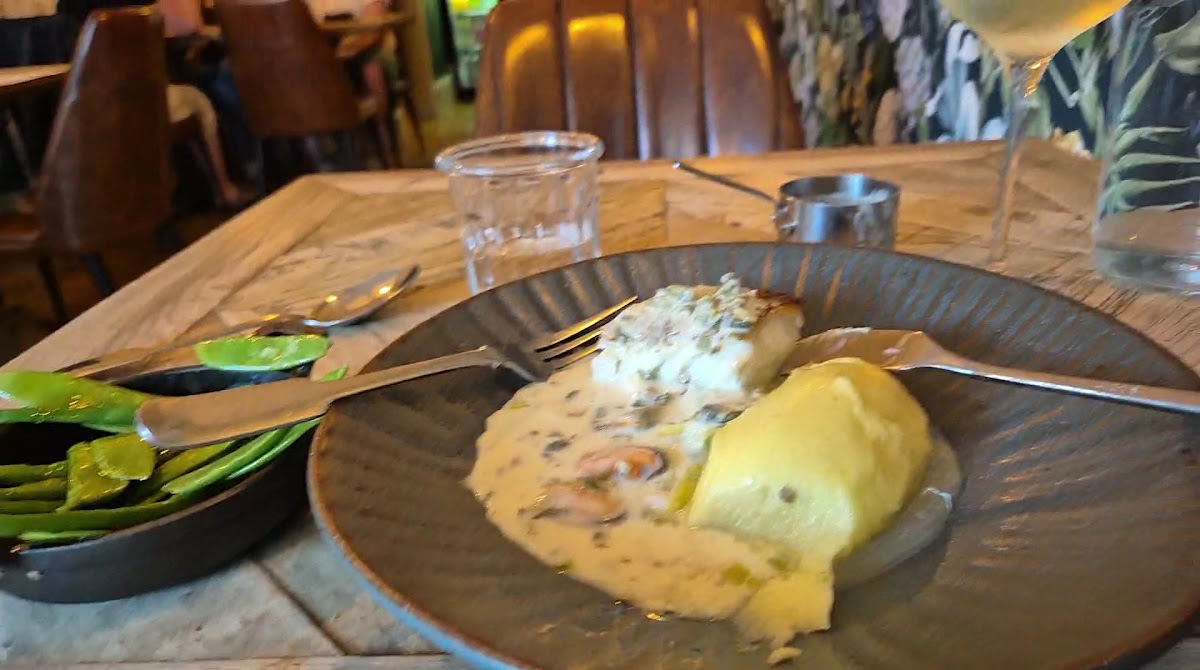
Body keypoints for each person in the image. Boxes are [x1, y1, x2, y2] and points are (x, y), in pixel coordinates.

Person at [159, 0, 254, 207]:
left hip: (110, 98)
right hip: (159, 88)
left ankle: (248, 170)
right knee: (212, 94)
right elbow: (188, 26)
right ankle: (228, 186)